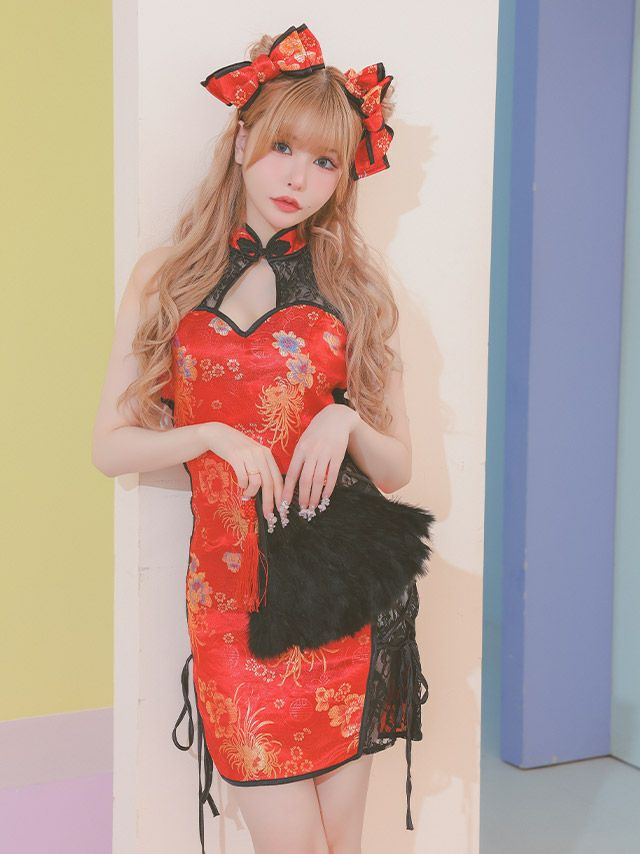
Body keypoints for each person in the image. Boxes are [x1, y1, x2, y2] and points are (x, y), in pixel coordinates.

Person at [92, 23, 428, 854]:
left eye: (325, 162)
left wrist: (345, 418)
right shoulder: (166, 278)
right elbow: (111, 447)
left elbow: (396, 468)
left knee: (341, 845)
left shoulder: (356, 287)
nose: (299, 178)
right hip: (229, 607)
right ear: (242, 140)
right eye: (283, 147)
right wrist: (208, 433)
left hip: (340, 596)